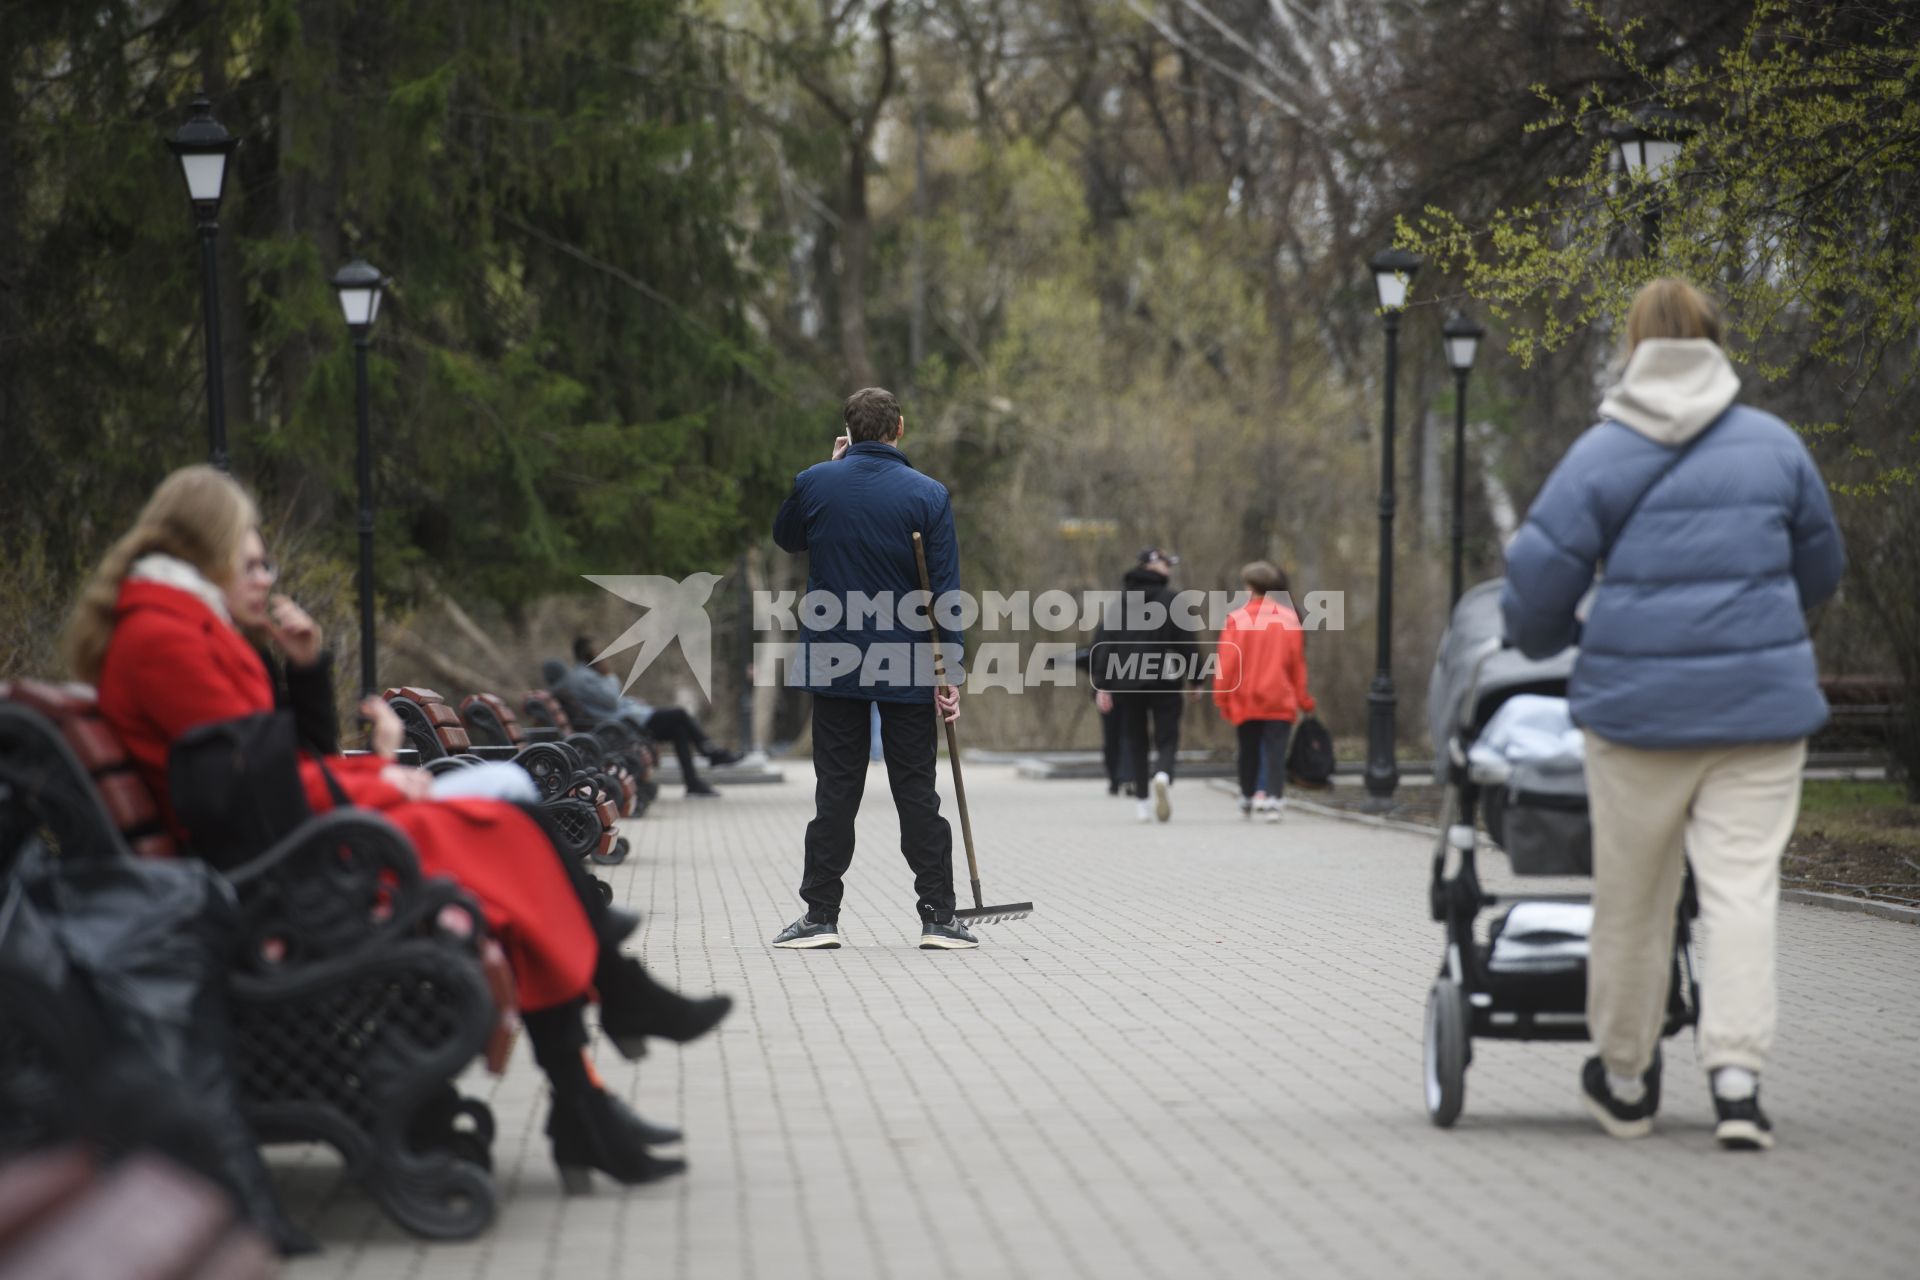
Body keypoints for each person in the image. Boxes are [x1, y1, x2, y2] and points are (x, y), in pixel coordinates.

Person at [68, 466, 734, 1191]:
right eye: (250, 556)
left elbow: (275, 767)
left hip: (288, 848)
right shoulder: (165, 636)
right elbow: (255, 786)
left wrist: (313, 677)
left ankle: (591, 1086)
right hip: (277, 871)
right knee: (512, 834)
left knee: (514, 839)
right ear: (207, 549)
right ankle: (605, 1034)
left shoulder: (183, 625)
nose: (264, 576)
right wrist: (381, 776)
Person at [1502, 278, 1846, 1151]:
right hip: (1758, 718)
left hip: (1635, 716)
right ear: (1715, 341)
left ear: (1634, 348)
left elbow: (1538, 594)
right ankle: (1737, 1082)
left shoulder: (1600, 455)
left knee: (1633, 898)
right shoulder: (1775, 446)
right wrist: (1759, 621)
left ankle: (1624, 1080)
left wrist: (1539, 637)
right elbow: (1821, 572)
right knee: (1741, 891)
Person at [767, 386, 974, 951]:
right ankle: (938, 916)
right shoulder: (928, 495)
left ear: (849, 431)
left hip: (834, 658)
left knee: (836, 790)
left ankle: (819, 916)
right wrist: (949, 672)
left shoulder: (815, 482)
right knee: (916, 791)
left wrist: (827, 468)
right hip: (908, 661)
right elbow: (946, 591)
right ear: (899, 428)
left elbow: (787, 539)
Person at [554, 637, 740, 797]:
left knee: (679, 730)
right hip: (625, 725)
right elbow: (611, 700)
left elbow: (612, 701)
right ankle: (710, 752)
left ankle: (693, 781)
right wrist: (609, 675)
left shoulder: (586, 675)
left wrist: (632, 701)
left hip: (628, 719)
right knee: (679, 714)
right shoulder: (585, 677)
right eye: (598, 650)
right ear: (588, 653)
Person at [1092, 549, 1198, 823]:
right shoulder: (1172, 601)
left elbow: (1104, 645)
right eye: (1166, 564)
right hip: (1165, 679)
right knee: (1167, 735)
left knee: (1136, 740)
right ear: (1152, 566)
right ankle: (1162, 774)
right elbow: (1187, 643)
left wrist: (1102, 686)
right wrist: (1197, 678)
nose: (1169, 569)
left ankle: (1142, 803)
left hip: (1126, 682)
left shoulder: (1120, 603)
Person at [1213, 560, 1314, 822]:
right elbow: (1296, 664)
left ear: (1251, 587)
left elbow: (1227, 661)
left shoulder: (1236, 619)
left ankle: (1246, 797)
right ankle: (1273, 800)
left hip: (1245, 697)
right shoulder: (1289, 619)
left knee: (1247, 749)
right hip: (1279, 697)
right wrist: (1303, 699)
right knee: (1275, 751)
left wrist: (1221, 696)